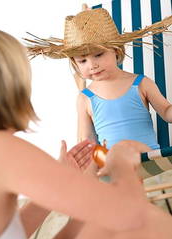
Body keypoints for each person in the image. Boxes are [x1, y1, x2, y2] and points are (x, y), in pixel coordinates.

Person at [0, 27, 149, 239]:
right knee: (133, 225)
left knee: (87, 224)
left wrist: (69, 179)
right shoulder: (1, 147)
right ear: (12, 85)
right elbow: (125, 213)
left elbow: (2, 237)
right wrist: (122, 168)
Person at [25, 8, 172, 151]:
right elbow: (86, 141)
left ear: (116, 50)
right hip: (111, 168)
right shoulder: (85, 98)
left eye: (98, 55)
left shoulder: (141, 83)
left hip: (151, 163)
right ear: (75, 63)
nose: (92, 65)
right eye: (83, 61)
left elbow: (166, 111)